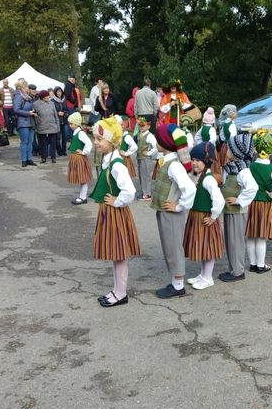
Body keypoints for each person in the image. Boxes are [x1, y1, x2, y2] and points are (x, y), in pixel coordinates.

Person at [90, 117, 141, 308]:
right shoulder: (107, 159)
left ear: (112, 142)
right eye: (95, 138)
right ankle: (117, 290)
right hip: (108, 212)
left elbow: (130, 192)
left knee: (118, 255)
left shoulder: (117, 164)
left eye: (99, 139)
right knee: (115, 255)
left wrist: (116, 201)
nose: (95, 142)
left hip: (115, 213)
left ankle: (121, 293)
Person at [151, 123, 196, 298]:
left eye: (158, 140)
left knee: (174, 246)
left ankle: (178, 285)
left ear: (165, 143)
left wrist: (179, 206)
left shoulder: (174, 165)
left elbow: (189, 188)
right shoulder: (168, 161)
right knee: (169, 245)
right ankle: (175, 281)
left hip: (171, 213)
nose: (156, 142)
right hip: (166, 212)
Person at [184, 142, 225, 290]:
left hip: (205, 218)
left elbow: (219, 200)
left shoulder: (208, 179)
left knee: (207, 249)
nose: (194, 163)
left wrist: (213, 216)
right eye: (193, 159)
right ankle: (203, 275)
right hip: (197, 216)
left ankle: (208, 278)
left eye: (198, 160)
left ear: (206, 161)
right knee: (202, 247)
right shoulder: (199, 177)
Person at [218, 133, 257, 282]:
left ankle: (238, 271)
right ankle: (233, 268)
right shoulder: (231, 167)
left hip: (237, 211)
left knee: (236, 241)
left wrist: (239, 200)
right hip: (230, 210)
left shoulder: (243, 171)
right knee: (230, 240)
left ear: (236, 151)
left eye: (229, 148)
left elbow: (252, 188)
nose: (226, 151)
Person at [246, 129, 272, 273]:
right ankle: (261, 265)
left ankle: (252, 264)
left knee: (251, 236)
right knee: (261, 237)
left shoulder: (249, 166)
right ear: (271, 150)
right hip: (266, 204)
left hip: (250, 204)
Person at [67, 112, 92, 205]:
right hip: (75, 158)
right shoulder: (76, 132)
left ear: (77, 124)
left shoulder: (80, 133)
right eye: (69, 123)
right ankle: (82, 196)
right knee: (80, 178)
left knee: (83, 178)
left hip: (79, 158)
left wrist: (84, 152)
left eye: (71, 123)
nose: (70, 125)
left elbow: (89, 143)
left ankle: (83, 197)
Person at [12, 80, 38, 168]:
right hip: (22, 122)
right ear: (22, 87)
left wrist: (33, 111)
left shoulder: (28, 96)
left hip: (30, 121)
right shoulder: (18, 96)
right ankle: (24, 160)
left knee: (30, 141)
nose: (28, 88)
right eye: (26, 86)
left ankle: (29, 159)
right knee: (24, 141)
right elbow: (16, 109)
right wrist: (28, 113)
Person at [33, 90, 60, 163]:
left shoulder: (51, 103)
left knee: (53, 143)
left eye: (48, 96)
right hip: (42, 126)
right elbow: (34, 115)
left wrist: (57, 126)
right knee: (43, 143)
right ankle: (43, 158)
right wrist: (37, 122)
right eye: (46, 96)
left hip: (52, 126)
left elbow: (56, 115)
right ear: (42, 97)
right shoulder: (35, 104)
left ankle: (53, 158)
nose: (48, 97)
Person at [136, 117, 157, 200]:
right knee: (141, 176)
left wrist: (148, 153)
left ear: (148, 126)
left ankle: (147, 194)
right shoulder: (140, 134)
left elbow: (156, 147)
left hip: (146, 159)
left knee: (145, 176)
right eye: (139, 125)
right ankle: (144, 191)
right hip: (140, 158)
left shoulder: (150, 136)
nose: (140, 127)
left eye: (143, 125)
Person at [52, 87, 68, 156]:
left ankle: (64, 151)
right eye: (57, 92)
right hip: (57, 121)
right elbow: (52, 111)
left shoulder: (64, 100)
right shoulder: (52, 101)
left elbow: (67, 110)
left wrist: (64, 113)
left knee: (65, 137)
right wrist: (57, 113)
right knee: (57, 137)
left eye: (60, 91)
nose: (59, 93)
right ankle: (59, 151)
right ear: (55, 92)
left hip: (64, 121)